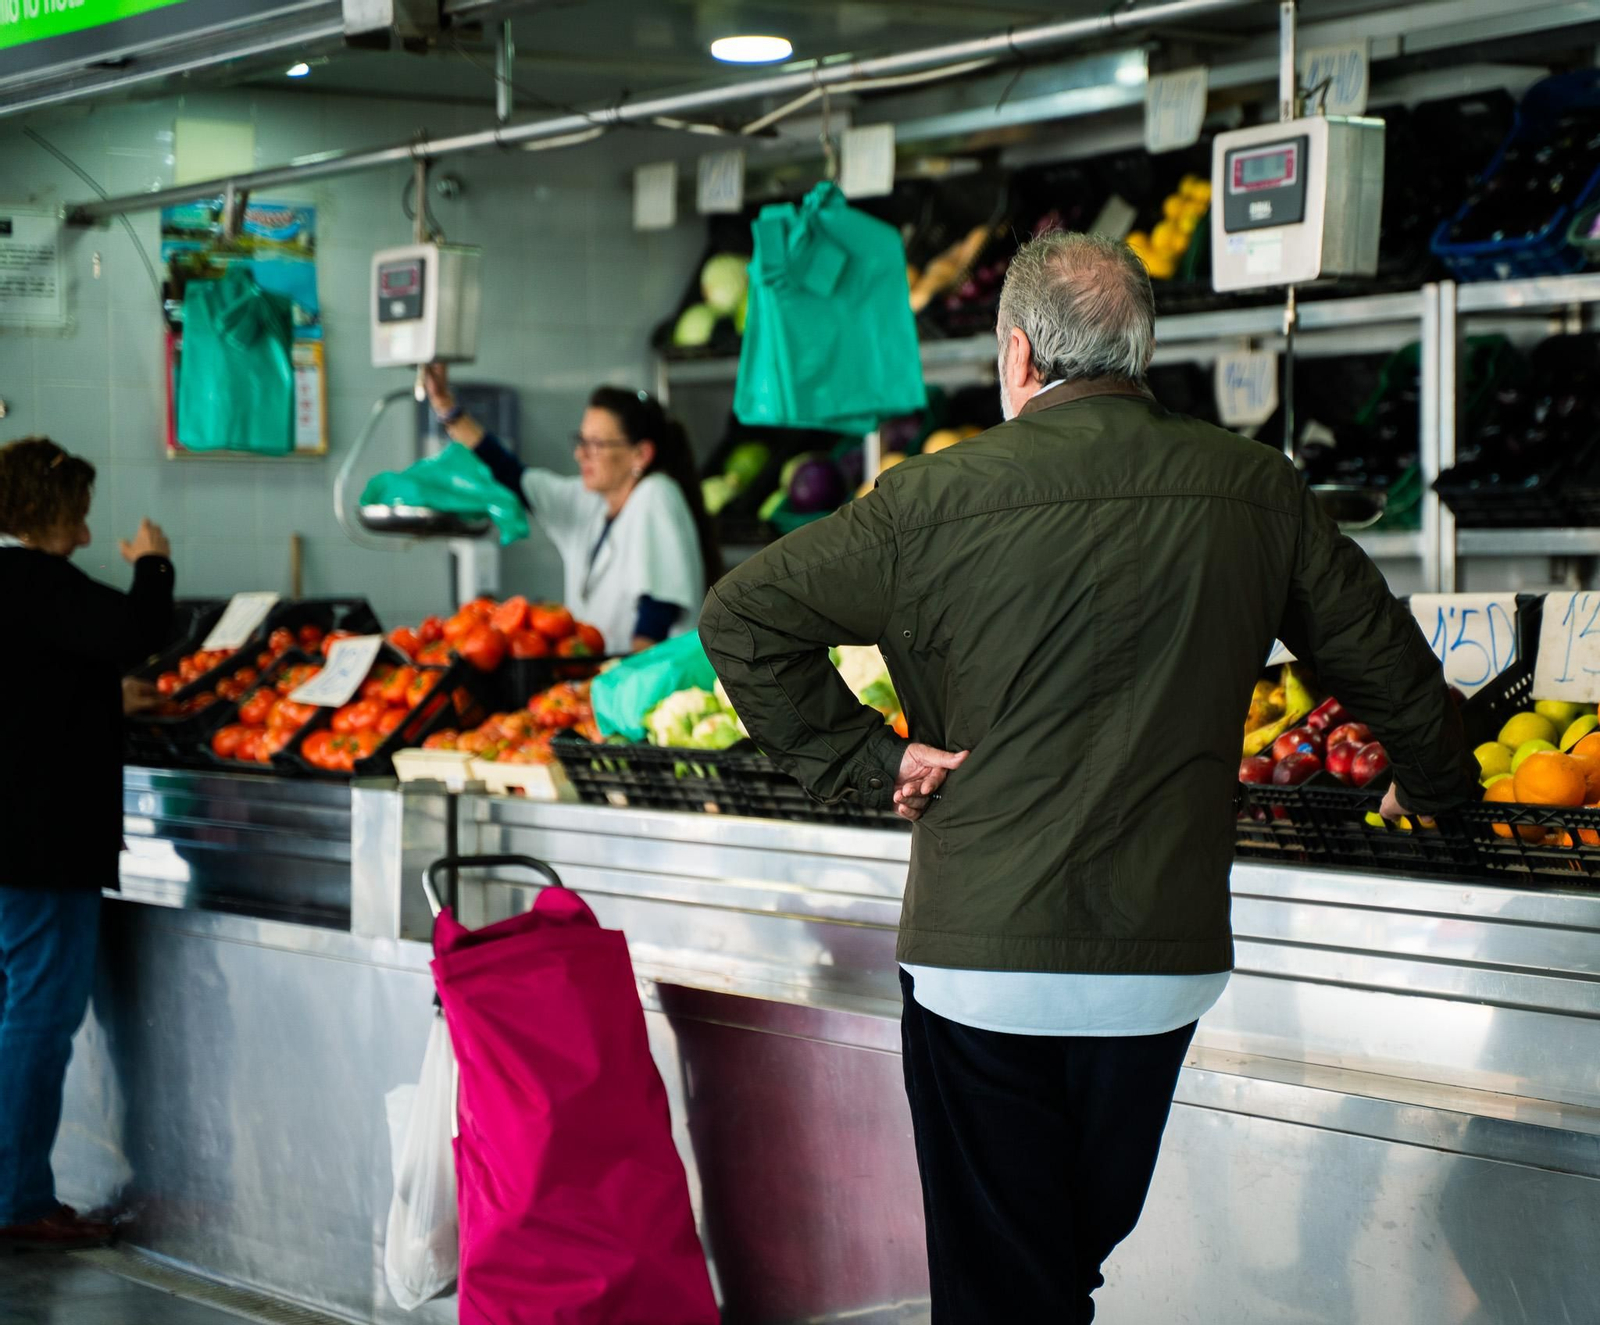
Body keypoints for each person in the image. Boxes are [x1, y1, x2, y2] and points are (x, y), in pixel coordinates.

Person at [699, 231, 1479, 1321]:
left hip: (984, 958)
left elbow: (742, 615)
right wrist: (1435, 781)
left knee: (1004, 1284)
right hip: (1157, 964)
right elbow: (1389, 662)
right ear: (1138, 351)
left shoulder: (932, 499)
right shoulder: (1254, 488)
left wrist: (867, 757)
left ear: (1017, 352)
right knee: (1057, 1266)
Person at [0, 437, 174, 1252]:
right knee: (40, 1012)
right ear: (48, 511)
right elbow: (134, 629)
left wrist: (108, 698)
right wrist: (154, 564)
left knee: (17, 1008)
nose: (84, 532)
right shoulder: (33, 580)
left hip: (17, 841)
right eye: (77, 514)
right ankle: (19, 1197)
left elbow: (44, 680)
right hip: (39, 844)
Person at [423, 366, 720, 654]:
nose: (580, 454)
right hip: (604, 676)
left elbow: (656, 613)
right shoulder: (591, 500)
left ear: (640, 454)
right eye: (581, 441)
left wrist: (627, 690)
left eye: (596, 444)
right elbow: (511, 475)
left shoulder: (657, 495)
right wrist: (446, 407)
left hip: (645, 682)